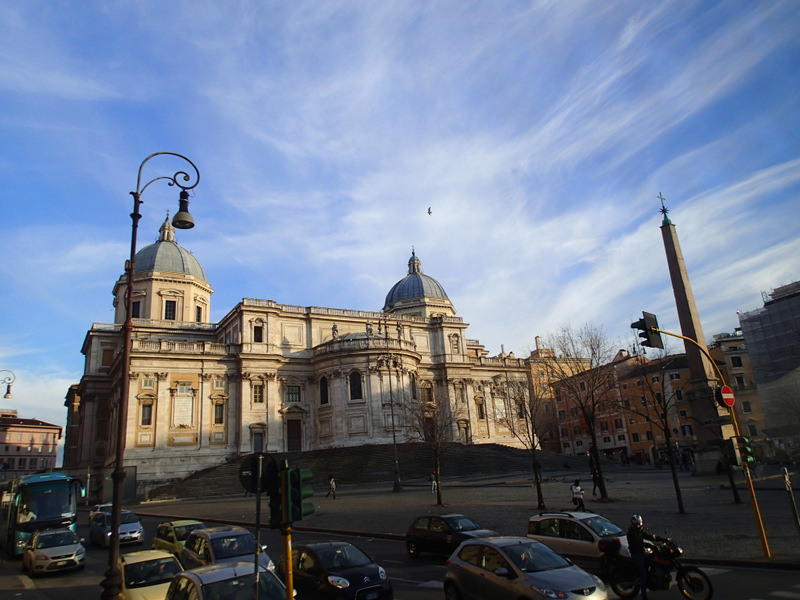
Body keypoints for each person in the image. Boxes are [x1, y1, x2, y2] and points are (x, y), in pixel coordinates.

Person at [627, 514, 661, 600]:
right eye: (637, 524)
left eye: (640, 524)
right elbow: (638, 543)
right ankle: (644, 595)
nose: (639, 526)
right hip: (636, 553)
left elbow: (647, 536)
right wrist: (649, 545)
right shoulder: (631, 533)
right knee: (643, 574)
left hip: (641, 551)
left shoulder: (639, 531)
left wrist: (659, 538)